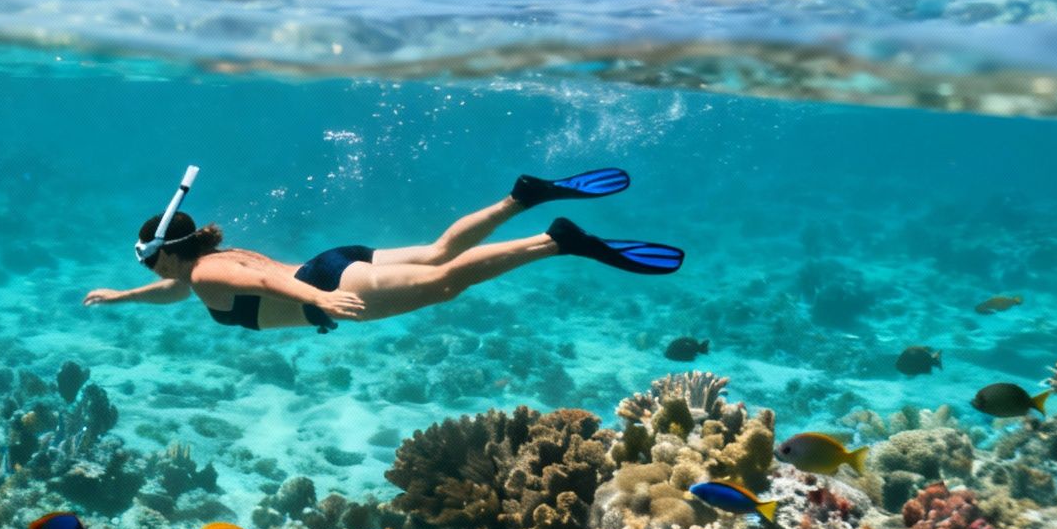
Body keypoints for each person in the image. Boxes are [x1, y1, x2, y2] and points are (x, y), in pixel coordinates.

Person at [85, 169, 684, 333]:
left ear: (166, 252)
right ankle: (518, 198)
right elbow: (174, 291)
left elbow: (269, 289)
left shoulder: (209, 275)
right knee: (438, 250)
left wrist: (319, 297)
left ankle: (555, 241)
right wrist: (124, 297)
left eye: (144, 261)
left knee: (449, 281)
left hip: (329, 289)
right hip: (333, 259)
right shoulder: (208, 266)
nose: (148, 272)